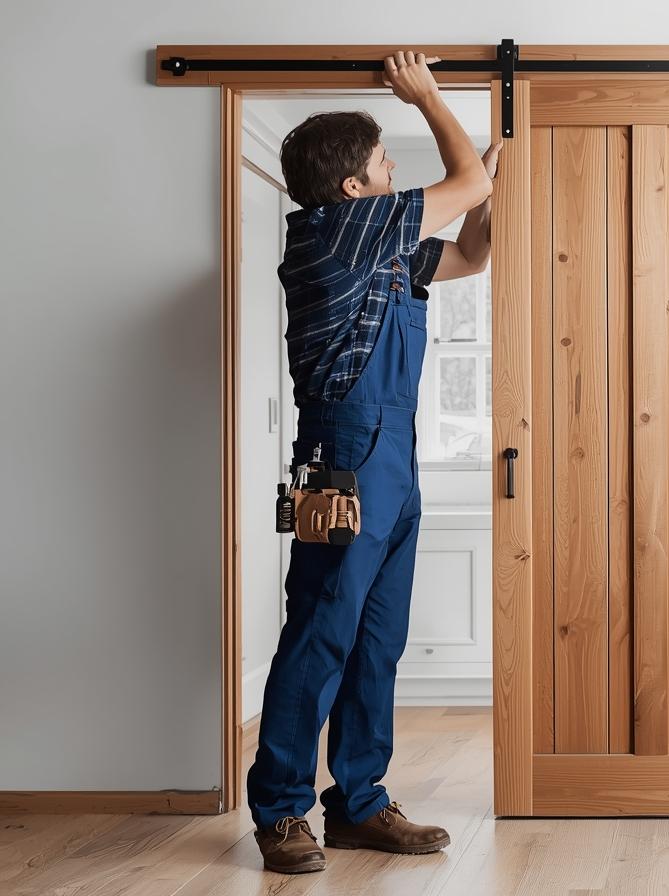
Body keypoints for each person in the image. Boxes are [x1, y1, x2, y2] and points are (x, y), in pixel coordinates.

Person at [246, 50, 500, 875]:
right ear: (354, 187)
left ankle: (358, 804)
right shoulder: (336, 231)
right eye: (386, 163)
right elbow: (462, 184)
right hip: (346, 455)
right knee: (321, 633)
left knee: (377, 639)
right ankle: (281, 810)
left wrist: (494, 182)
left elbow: (472, 255)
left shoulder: (381, 244)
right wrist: (428, 97)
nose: (395, 173)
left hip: (395, 455)